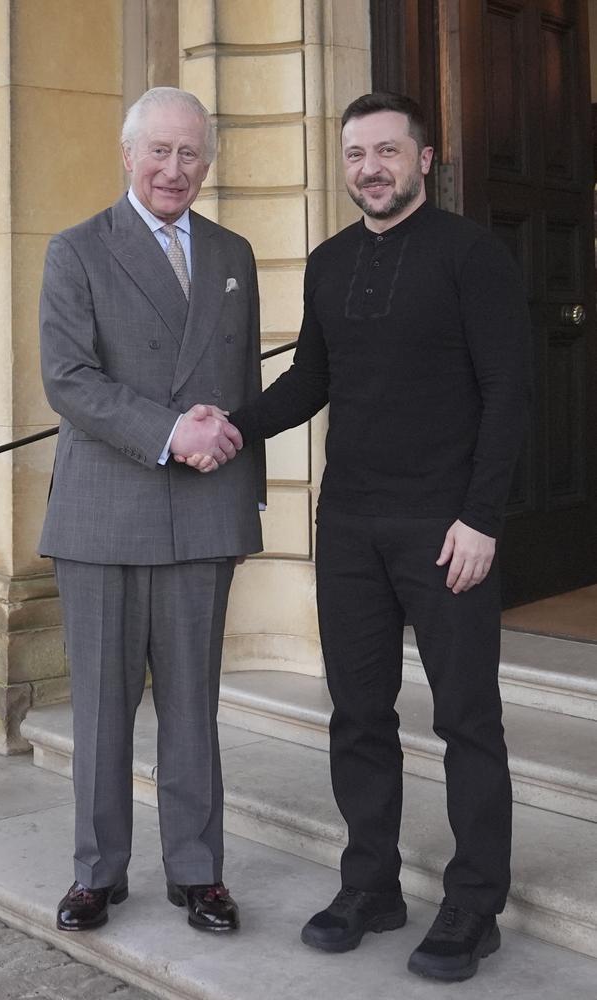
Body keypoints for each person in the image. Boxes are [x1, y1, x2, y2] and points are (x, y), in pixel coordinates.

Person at [178, 91, 531, 982]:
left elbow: (510, 393)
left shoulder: (472, 256)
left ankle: (475, 903)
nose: (369, 168)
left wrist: (483, 517)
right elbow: (311, 377)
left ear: (424, 159)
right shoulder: (331, 262)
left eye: (386, 151)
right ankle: (371, 884)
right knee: (359, 715)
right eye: (354, 155)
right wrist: (235, 425)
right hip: (352, 525)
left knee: (467, 720)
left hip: (446, 527)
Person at [39, 86, 265, 936]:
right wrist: (173, 429)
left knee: (193, 705)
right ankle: (97, 874)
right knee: (99, 707)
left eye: (191, 154)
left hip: (206, 508)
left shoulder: (233, 250)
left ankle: (198, 873)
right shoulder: (76, 249)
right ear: (127, 154)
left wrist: (236, 468)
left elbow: (239, 383)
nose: (176, 169)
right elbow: (69, 379)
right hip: (103, 510)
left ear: (208, 163)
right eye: (160, 152)